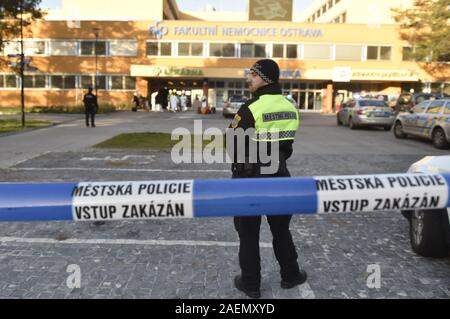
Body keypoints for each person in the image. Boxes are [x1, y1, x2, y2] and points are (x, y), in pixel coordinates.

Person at [228, 59, 307, 299]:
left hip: (249, 179)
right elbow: (287, 145)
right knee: (281, 229)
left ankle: (251, 284)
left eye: (252, 74)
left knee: (248, 233)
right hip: (279, 176)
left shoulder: (250, 108)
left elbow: (232, 142)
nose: (248, 78)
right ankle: (291, 275)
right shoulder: (290, 107)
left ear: (265, 78)